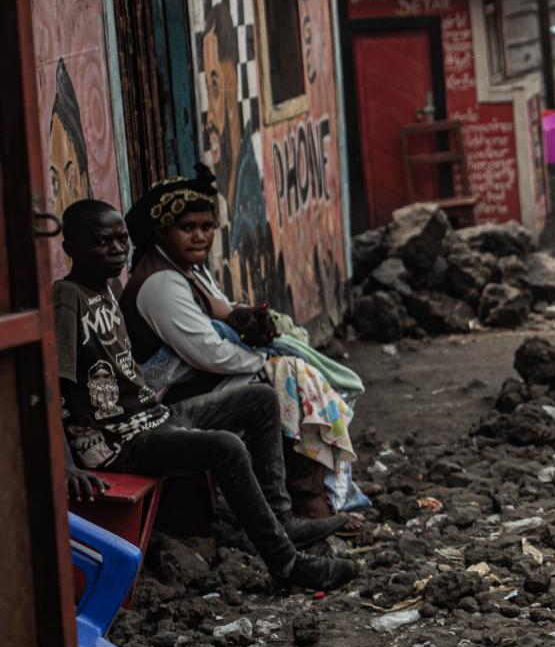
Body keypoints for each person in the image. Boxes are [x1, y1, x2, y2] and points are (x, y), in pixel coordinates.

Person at [55, 200, 357, 591]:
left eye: (121, 241)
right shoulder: (67, 299)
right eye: (102, 242)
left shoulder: (109, 288)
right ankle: (287, 565)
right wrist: (65, 464)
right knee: (226, 447)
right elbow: (49, 387)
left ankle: (282, 521)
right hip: (119, 442)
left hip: (154, 417)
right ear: (71, 248)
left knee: (261, 400)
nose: (116, 250)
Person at [120, 172, 365, 520]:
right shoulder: (161, 283)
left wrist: (249, 319)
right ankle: (304, 500)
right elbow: (210, 353)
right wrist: (261, 360)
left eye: (206, 226)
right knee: (285, 381)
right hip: (164, 401)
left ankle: (316, 489)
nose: (200, 236)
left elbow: (223, 309)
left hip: (192, 382)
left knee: (288, 374)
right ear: (162, 231)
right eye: (187, 227)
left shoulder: (189, 270)